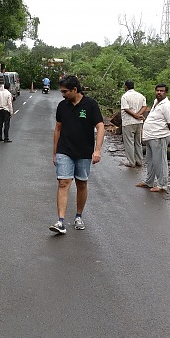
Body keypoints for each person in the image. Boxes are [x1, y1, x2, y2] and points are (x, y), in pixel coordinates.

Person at [50, 75, 105, 234]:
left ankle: (78, 216)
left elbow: (100, 127)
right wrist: (54, 153)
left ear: (75, 89)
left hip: (84, 152)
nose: (63, 94)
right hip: (64, 150)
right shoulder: (62, 106)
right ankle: (60, 221)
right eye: (61, 91)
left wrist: (97, 149)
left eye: (65, 91)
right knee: (63, 183)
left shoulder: (90, 105)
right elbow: (58, 129)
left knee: (81, 184)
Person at [136, 83, 170, 192]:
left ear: (166, 92)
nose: (159, 92)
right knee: (150, 161)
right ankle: (149, 181)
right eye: (157, 90)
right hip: (151, 136)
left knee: (160, 161)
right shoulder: (156, 103)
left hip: (159, 136)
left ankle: (162, 184)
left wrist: (167, 130)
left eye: (162, 91)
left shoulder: (167, 105)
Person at [120, 80, 147, 167]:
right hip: (139, 122)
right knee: (138, 142)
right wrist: (138, 115)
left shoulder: (125, 96)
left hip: (128, 122)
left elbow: (126, 109)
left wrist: (135, 115)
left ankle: (131, 162)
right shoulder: (141, 96)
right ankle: (139, 161)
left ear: (126, 86)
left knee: (129, 142)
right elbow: (144, 106)